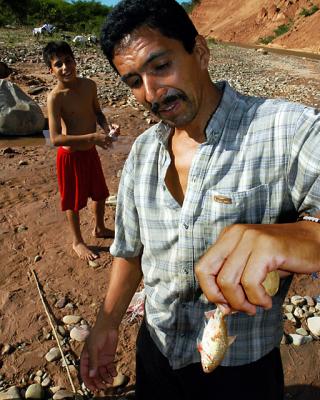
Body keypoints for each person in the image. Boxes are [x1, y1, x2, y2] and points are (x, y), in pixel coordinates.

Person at [79, 1, 320, 399]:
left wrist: (301, 236)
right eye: (134, 81)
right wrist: (107, 322)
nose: (152, 93)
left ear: (201, 52)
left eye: (160, 66)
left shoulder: (287, 132)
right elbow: (131, 249)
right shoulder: (143, 152)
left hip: (241, 369)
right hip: (155, 352)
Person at [43, 41, 119, 261]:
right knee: (73, 201)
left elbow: (97, 112)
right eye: (58, 64)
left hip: (90, 152)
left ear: (75, 61)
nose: (65, 67)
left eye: (68, 61)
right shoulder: (55, 98)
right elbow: (56, 138)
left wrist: (107, 128)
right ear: (51, 70)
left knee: (100, 193)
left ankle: (99, 228)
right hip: (70, 156)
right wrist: (93, 138)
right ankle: (77, 241)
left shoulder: (89, 85)